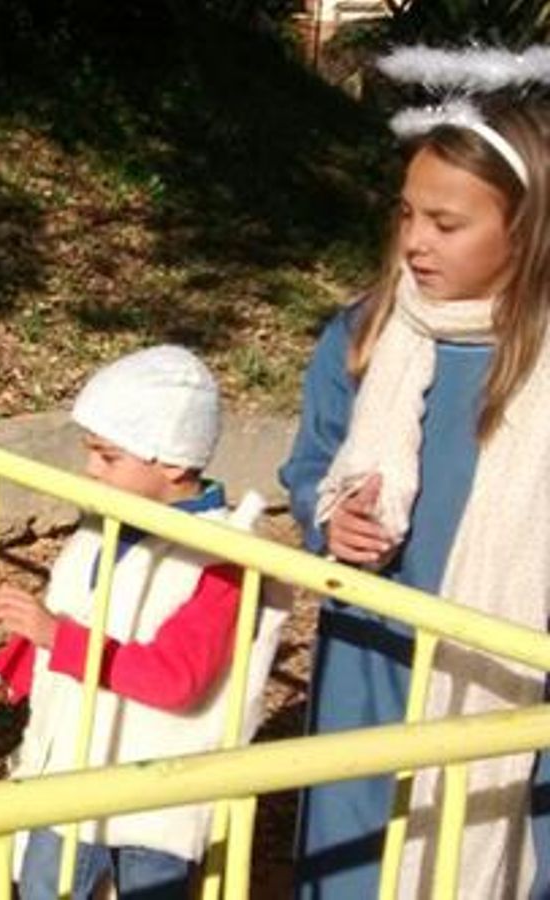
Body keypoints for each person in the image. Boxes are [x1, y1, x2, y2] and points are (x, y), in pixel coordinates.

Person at [280, 46, 550, 900]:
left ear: (526, 227)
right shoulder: (363, 335)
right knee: (357, 863)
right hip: (372, 656)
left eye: (446, 223)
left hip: (512, 676)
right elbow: (311, 463)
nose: (414, 242)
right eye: (406, 214)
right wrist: (328, 516)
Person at [0, 344, 284, 900]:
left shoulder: (221, 558)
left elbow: (176, 679)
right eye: (90, 451)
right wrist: (4, 674)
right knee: (42, 888)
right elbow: (70, 611)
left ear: (172, 463)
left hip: (155, 795)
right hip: (68, 771)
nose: (91, 469)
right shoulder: (105, 523)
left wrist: (54, 635)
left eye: (108, 456)